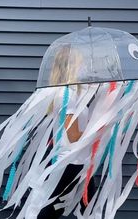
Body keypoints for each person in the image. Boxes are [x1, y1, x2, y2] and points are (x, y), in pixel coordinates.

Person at [37, 44, 96, 218]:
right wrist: (99, 130)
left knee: (88, 206)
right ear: (71, 66)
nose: (83, 66)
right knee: (53, 210)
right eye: (80, 62)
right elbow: (73, 135)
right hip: (70, 162)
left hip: (76, 160)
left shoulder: (69, 92)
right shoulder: (67, 95)